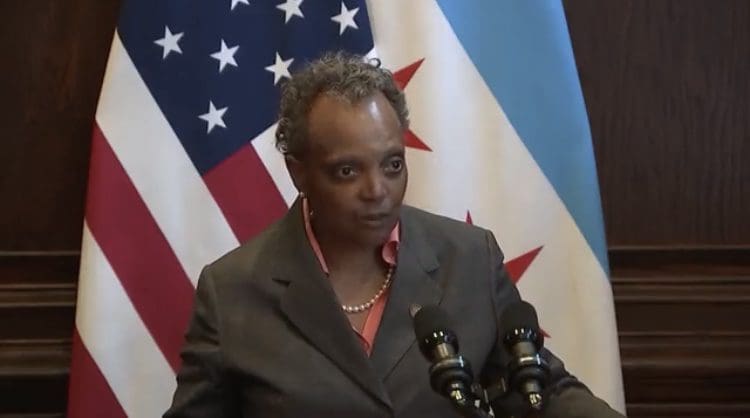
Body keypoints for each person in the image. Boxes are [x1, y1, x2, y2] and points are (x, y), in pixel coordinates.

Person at [164, 52, 625, 418]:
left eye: (392, 164)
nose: (377, 191)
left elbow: (541, 392)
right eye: (347, 171)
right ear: (298, 172)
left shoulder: (469, 259)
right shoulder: (233, 291)